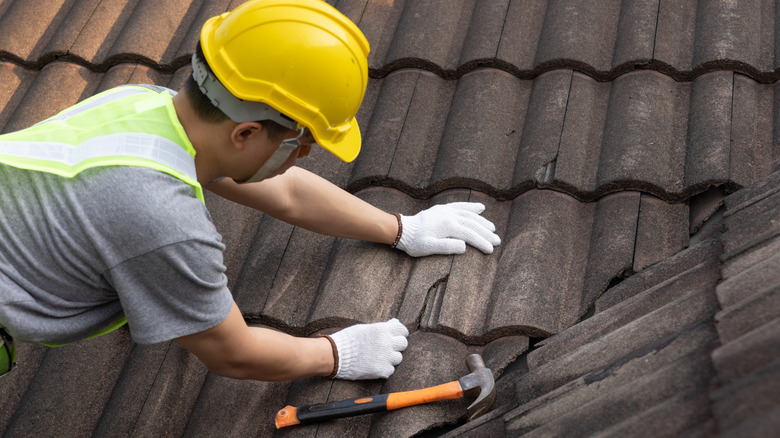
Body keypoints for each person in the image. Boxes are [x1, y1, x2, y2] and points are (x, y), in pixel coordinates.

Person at [0, 0, 500, 382]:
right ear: (245, 133)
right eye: (300, 143)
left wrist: (401, 228)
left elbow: (288, 194)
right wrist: (335, 353)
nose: (303, 157)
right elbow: (231, 351)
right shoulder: (162, 223)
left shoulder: (145, 104)